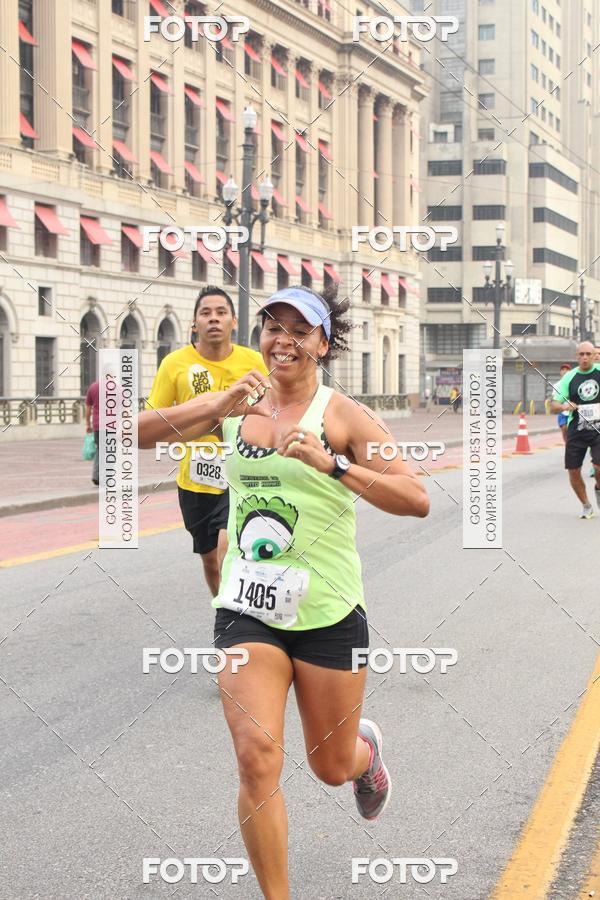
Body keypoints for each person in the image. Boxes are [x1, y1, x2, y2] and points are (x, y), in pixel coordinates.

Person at [138, 284, 430, 899]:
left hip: (327, 610)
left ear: (323, 344)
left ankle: (364, 755)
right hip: (248, 607)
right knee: (256, 754)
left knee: (328, 766)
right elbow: (135, 434)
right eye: (273, 327)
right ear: (260, 338)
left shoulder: (345, 414)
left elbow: (417, 499)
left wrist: (336, 466)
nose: (284, 340)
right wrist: (218, 402)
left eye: (301, 330)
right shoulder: (239, 400)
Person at [145, 286, 268, 596]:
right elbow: (156, 419)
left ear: (234, 322)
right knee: (211, 560)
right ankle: (224, 611)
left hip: (243, 475)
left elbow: (274, 410)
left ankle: (241, 620)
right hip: (195, 480)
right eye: (206, 313)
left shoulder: (254, 362)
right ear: (194, 323)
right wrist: (202, 415)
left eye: (221, 312)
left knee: (229, 545)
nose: (214, 319)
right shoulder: (174, 364)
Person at [551, 341, 600, 518]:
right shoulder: (569, 377)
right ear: (577, 356)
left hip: (598, 430)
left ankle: (598, 489)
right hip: (577, 430)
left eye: (589, 354)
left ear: (595, 355)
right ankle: (586, 505)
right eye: (582, 354)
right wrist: (564, 405)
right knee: (573, 470)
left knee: (598, 466)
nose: (585, 357)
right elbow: (553, 405)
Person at [85, 378, 100, 485]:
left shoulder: (93, 387)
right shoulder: (118, 388)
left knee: (100, 448)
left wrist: (88, 424)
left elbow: (88, 408)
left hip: (98, 425)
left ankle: (97, 475)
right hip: (114, 425)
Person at [553, 363, 572, 443]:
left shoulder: (574, 383)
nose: (565, 371)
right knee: (564, 429)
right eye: (563, 370)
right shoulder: (556, 385)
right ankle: (567, 445)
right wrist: (560, 406)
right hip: (563, 412)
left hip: (573, 411)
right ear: (560, 372)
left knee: (572, 431)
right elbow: (555, 400)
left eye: (567, 370)